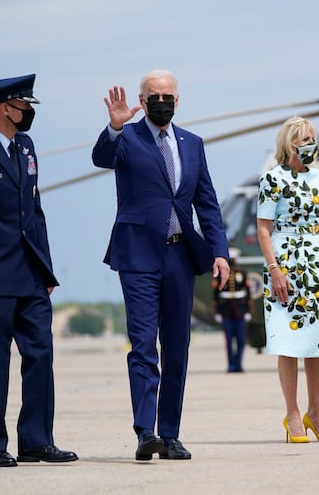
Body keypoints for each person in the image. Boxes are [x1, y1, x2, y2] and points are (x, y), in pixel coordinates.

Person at [92, 69, 230, 461]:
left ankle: (169, 434)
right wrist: (115, 127)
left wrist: (219, 251)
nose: (161, 101)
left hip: (178, 256)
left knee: (177, 347)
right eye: (154, 95)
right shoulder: (129, 138)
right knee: (142, 345)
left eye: (167, 95)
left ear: (177, 99)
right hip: (137, 256)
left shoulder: (192, 143)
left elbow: (207, 202)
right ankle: (145, 431)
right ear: (142, 98)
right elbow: (102, 158)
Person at [0, 74, 78, 467]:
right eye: (25, 105)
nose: (30, 111)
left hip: (31, 275)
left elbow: (34, 212)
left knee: (41, 354)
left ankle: (37, 440)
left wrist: (47, 269)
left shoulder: (27, 146)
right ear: (5, 107)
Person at [256, 116, 319, 444]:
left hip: (317, 263)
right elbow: (263, 228)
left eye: (312, 139)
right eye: (305, 140)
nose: (310, 145)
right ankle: (292, 414)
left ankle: (316, 413)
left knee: (317, 343)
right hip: (287, 263)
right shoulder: (272, 179)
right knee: (289, 343)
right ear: (290, 144)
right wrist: (275, 269)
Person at [213, 247, 253, 372]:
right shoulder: (220, 274)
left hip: (240, 310)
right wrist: (218, 312)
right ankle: (231, 365)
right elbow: (215, 294)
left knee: (241, 340)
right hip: (226, 311)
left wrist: (248, 311)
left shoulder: (243, 273)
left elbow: (248, 293)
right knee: (229, 341)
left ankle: (238, 364)